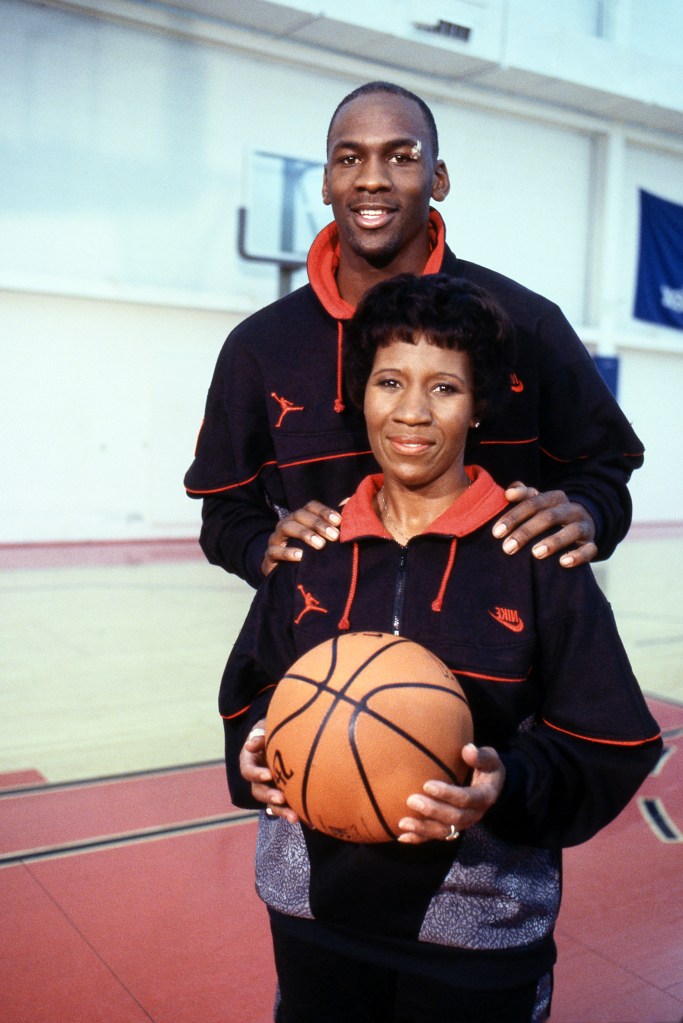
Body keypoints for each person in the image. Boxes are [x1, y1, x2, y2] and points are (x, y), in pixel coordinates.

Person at [220, 274, 661, 1023]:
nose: (412, 412)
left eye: (445, 387)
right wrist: (256, 751)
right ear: (361, 394)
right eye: (390, 381)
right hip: (309, 914)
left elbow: (610, 740)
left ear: (479, 404)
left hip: (477, 934)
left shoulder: (535, 554)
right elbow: (250, 695)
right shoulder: (312, 550)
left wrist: (505, 783)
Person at [184, 81, 644, 589]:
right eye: (350, 159)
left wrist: (588, 513)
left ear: (438, 178)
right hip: (331, 653)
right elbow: (225, 509)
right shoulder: (259, 346)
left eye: (401, 157)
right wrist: (260, 551)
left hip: (500, 648)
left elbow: (603, 469)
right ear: (325, 182)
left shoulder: (526, 324)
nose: (372, 179)